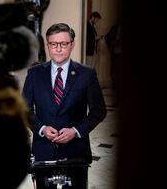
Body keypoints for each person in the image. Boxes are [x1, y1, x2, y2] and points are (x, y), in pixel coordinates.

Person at [22, 23, 107, 189]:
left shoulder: (87, 74)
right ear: (48, 45)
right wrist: (42, 128)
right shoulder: (34, 74)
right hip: (43, 151)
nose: (58, 49)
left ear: (72, 45)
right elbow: (24, 109)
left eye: (63, 44)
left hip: (75, 151)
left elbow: (99, 111)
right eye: (53, 44)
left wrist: (76, 131)